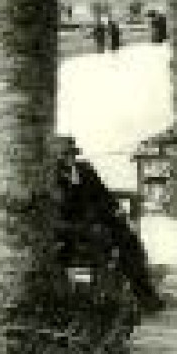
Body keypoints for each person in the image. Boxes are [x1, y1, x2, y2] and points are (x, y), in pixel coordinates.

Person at [54, 134, 164, 313]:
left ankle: (146, 296)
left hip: (98, 222)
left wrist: (117, 211)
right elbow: (61, 209)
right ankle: (105, 302)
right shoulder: (51, 177)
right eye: (63, 155)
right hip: (72, 228)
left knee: (130, 241)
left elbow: (104, 195)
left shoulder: (84, 169)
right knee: (106, 243)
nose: (68, 159)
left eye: (70, 154)